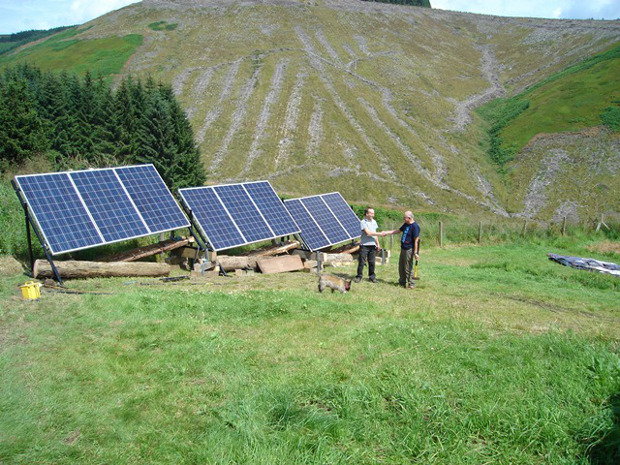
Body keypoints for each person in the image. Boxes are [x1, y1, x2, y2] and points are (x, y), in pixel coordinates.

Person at [383, 211, 420, 289]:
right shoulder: (406, 224)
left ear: (409, 218)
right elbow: (398, 231)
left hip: (409, 249)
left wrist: (416, 253)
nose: (403, 219)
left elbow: (416, 240)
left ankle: (411, 284)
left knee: (408, 267)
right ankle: (402, 282)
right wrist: (387, 232)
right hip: (403, 248)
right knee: (401, 266)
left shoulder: (415, 226)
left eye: (404, 218)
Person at [355, 207, 382, 283]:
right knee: (362, 262)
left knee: (372, 262)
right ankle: (359, 276)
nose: (373, 215)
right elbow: (368, 233)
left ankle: (372, 277)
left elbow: (374, 233)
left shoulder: (374, 222)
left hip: (372, 245)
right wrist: (380, 233)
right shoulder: (363, 222)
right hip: (364, 245)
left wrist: (378, 244)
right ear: (367, 214)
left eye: (373, 213)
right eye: (371, 213)